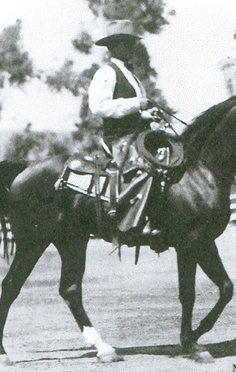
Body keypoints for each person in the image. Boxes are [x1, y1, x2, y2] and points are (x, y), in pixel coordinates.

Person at [88, 19, 161, 239]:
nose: (133, 47)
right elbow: (98, 106)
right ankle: (137, 222)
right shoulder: (106, 73)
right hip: (119, 139)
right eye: (129, 43)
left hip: (138, 137)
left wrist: (147, 115)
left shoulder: (134, 76)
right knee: (148, 168)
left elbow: (136, 112)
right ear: (116, 46)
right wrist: (136, 104)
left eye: (133, 43)